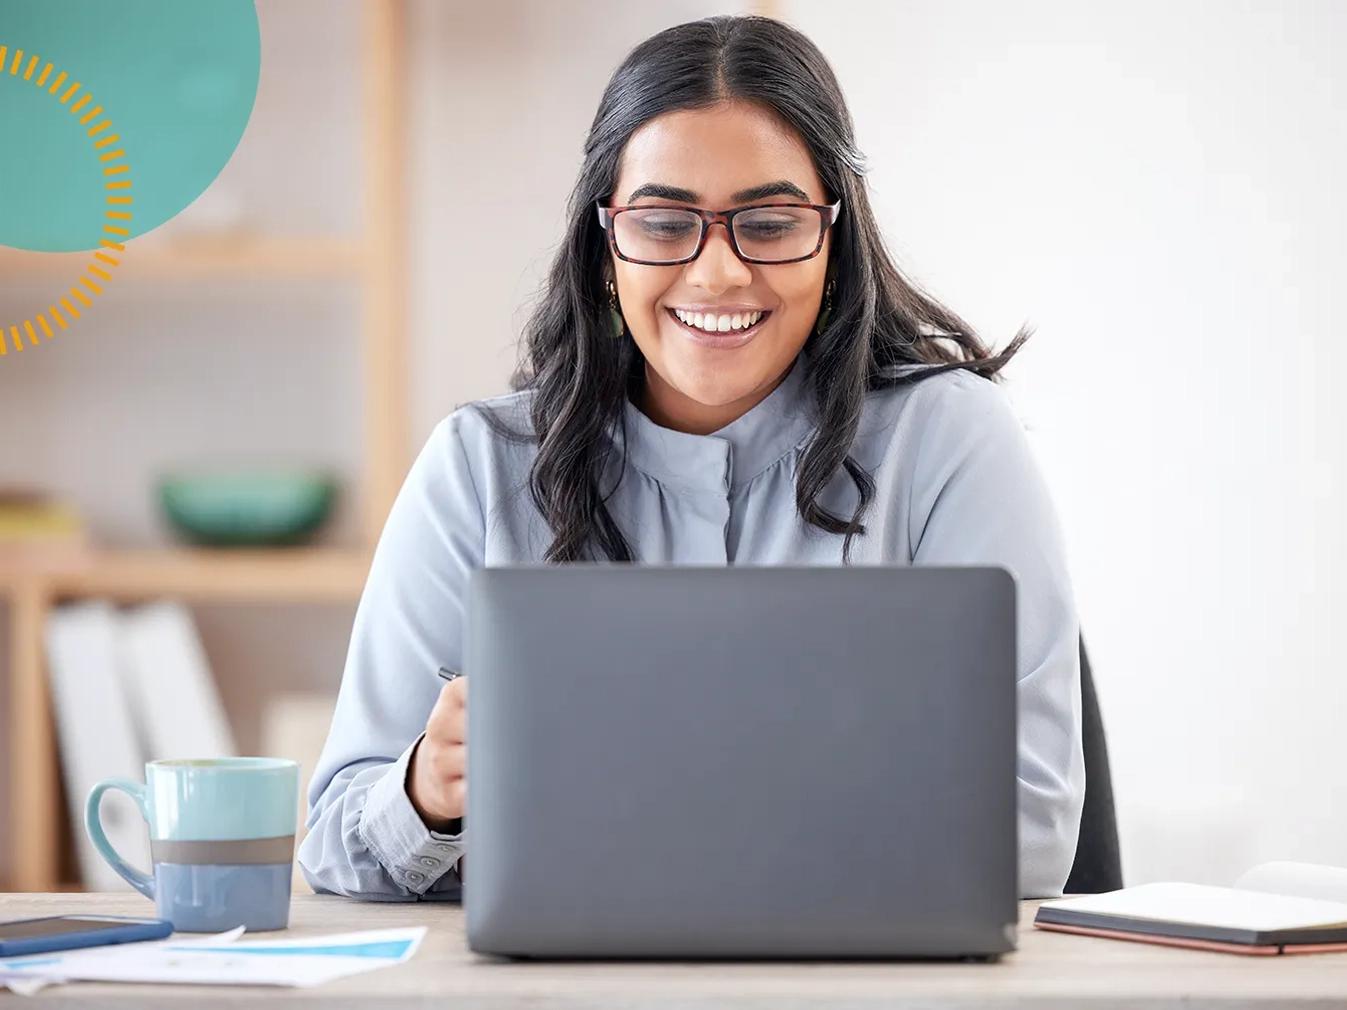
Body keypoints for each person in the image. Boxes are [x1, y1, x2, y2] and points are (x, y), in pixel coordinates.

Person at [298, 13, 1085, 902]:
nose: (716, 275)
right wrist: (424, 795)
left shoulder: (946, 442)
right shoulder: (478, 467)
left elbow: (1030, 832)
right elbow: (333, 841)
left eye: (771, 221)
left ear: (834, 240)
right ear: (605, 248)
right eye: (666, 222)